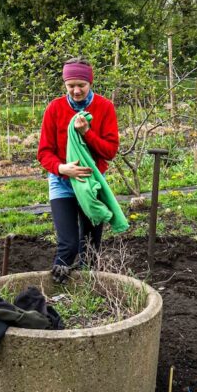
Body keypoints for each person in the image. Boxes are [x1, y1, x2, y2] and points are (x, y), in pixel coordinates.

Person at [37, 57, 120, 281]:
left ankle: (88, 288)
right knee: (68, 245)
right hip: (62, 181)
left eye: (81, 85)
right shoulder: (55, 109)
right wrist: (63, 168)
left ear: (90, 83)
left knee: (92, 244)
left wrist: (87, 134)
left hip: (91, 183)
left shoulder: (104, 107)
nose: (75, 91)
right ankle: (55, 288)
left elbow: (110, 151)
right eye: (70, 85)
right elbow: (44, 152)